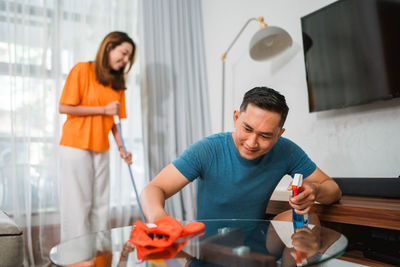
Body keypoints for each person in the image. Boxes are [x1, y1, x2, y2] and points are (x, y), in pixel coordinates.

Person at [140, 86, 342, 222]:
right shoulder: (208, 149)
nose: (252, 143)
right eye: (247, 129)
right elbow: (155, 187)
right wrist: (159, 218)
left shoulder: (287, 150)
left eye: (265, 135)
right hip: (210, 246)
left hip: (258, 243)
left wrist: (314, 190)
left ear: (279, 134)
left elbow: (332, 189)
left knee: (308, 218)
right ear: (236, 118)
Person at [59, 31, 135, 241]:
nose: (126, 60)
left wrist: (122, 149)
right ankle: (77, 259)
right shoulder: (82, 69)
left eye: (129, 57)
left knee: (101, 205)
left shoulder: (117, 83)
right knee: (78, 205)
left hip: (101, 147)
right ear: (109, 47)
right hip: (76, 145)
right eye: (124, 53)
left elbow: (114, 124)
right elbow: (64, 107)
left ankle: (100, 256)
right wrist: (103, 109)